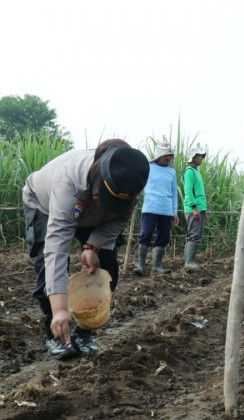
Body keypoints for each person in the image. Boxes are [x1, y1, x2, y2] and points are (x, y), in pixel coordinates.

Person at [23, 139, 149, 359]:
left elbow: (118, 221)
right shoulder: (69, 179)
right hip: (45, 204)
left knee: (106, 269)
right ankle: (56, 333)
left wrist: (93, 245)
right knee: (47, 270)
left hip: (96, 218)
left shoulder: (131, 184)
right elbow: (57, 248)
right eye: (106, 199)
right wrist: (61, 309)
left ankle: (83, 332)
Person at [135, 140, 180, 275]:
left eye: (170, 155)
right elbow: (139, 185)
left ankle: (157, 266)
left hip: (166, 210)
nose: (168, 157)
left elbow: (174, 193)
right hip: (150, 208)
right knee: (146, 235)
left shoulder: (171, 172)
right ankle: (141, 265)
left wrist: (175, 212)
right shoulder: (147, 168)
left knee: (163, 237)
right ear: (159, 155)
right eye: (166, 155)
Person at [182, 145, 207, 269]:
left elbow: (199, 192)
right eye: (200, 156)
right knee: (194, 234)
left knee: (194, 233)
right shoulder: (189, 172)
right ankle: (189, 262)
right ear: (194, 157)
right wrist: (194, 208)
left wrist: (203, 210)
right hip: (194, 209)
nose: (202, 158)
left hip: (199, 208)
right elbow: (188, 191)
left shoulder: (196, 172)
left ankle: (187, 260)